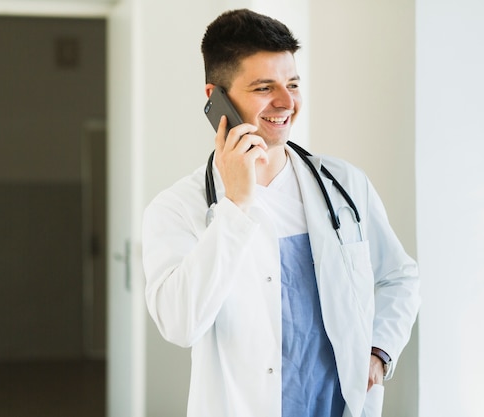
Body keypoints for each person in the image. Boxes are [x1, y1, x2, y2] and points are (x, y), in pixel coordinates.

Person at [142, 8, 420, 417]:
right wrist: (235, 205)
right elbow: (180, 324)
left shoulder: (343, 183)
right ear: (216, 99)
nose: (287, 102)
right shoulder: (178, 208)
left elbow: (399, 276)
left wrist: (379, 350)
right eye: (264, 87)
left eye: (292, 84)